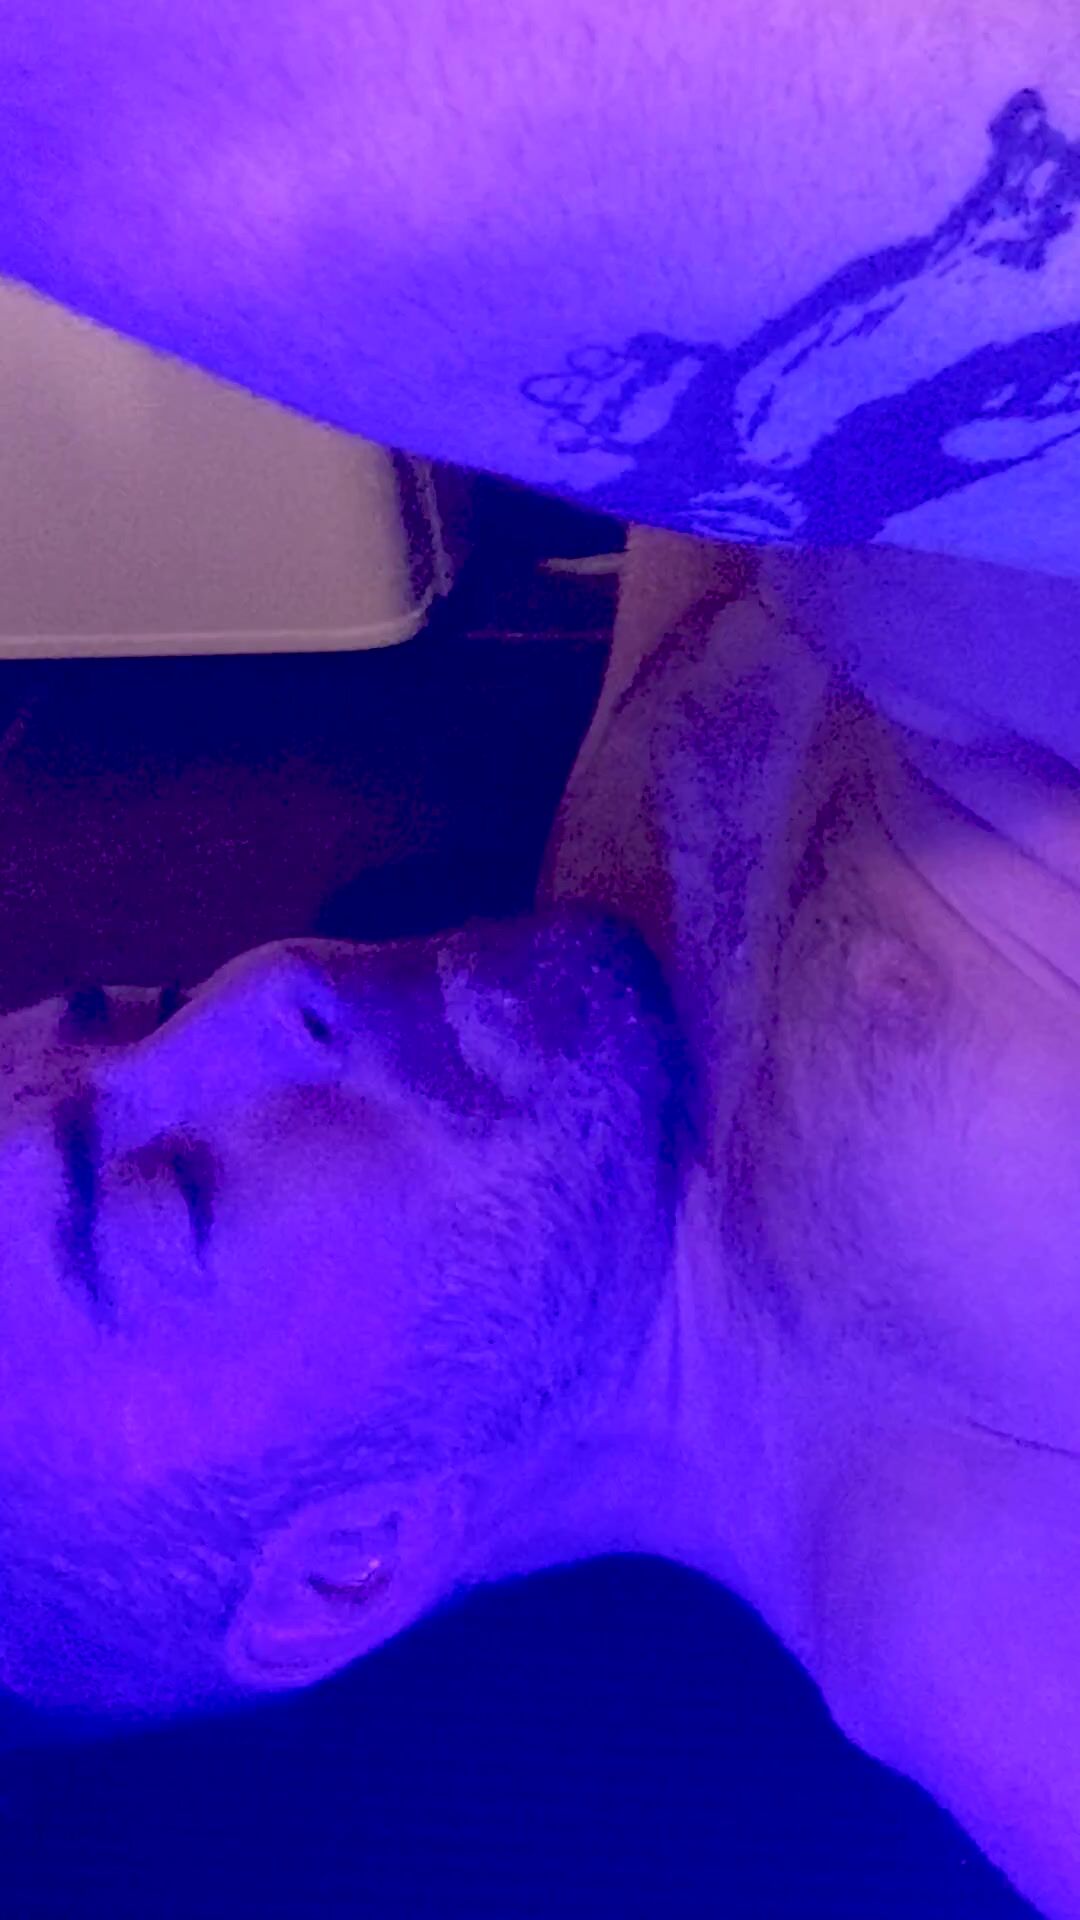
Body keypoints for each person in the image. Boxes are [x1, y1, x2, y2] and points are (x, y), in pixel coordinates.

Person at [1, 6, 1080, 1913]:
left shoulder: (597, 925)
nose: (263, 988)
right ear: (351, 1566)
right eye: (175, 1188)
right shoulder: (947, 1595)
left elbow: (708, 377)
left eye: (138, 1012)